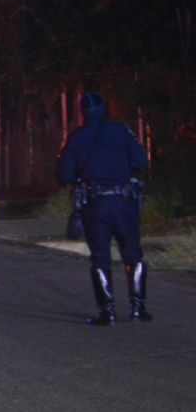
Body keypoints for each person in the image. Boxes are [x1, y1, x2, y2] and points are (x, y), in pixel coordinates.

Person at [58, 92, 151, 326]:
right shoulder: (121, 132)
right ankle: (138, 308)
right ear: (104, 108)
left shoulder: (76, 138)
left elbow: (65, 174)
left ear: (83, 113)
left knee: (100, 257)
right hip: (123, 201)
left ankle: (107, 311)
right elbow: (140, 162)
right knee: (133, 254)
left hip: (94, 204)